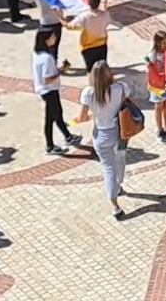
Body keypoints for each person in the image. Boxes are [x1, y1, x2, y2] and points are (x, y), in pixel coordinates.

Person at [75, 60, 134, 218]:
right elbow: (125, 104)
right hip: (119, 132)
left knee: (108, 168)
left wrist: (84, 118)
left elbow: (82, 117)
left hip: (100, 134)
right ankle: (118, 185)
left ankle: (114, 205)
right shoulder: (120, 88)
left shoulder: (88, 93)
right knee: (120, 158)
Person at [33, 26, 78, 155]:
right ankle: (50, 146)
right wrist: (62, 71)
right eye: (52, 36)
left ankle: (68, 136)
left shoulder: (38, 54)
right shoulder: (47, 58)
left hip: (45, 90)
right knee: (50, 118)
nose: (55, 38)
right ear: (46, 40)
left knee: (57, 114)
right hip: (49, 90)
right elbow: (47, 79)